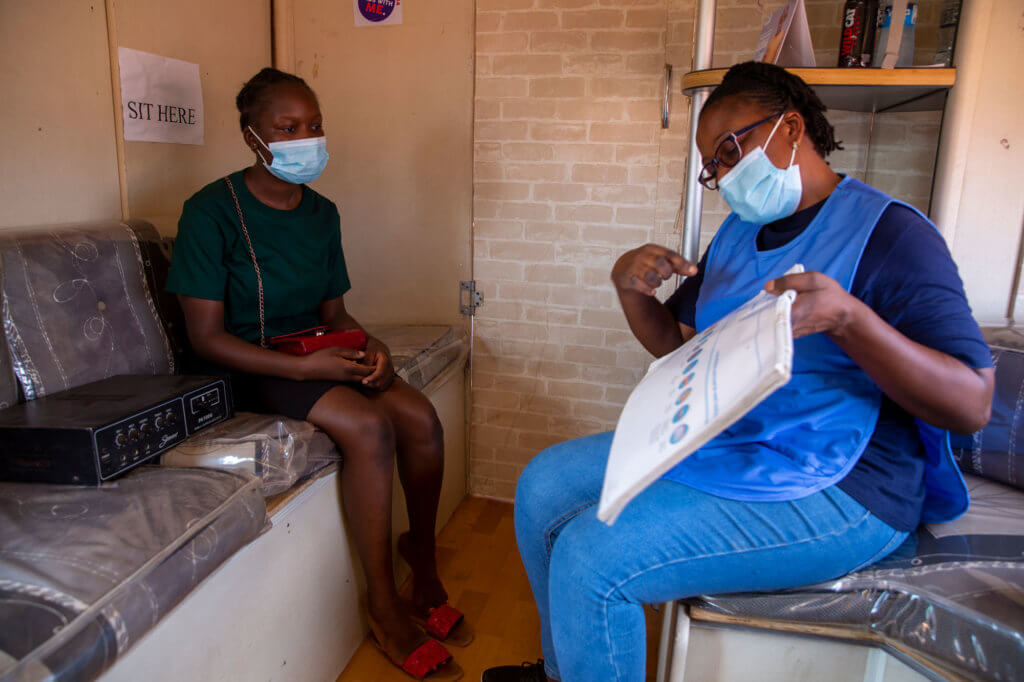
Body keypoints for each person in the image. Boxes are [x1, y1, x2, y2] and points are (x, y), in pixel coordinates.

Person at [483, 61, 994, 682]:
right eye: (713, 167)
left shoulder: (892, 235)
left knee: (593, 562)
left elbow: (972, 404)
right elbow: (680, 349)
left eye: (730, 150)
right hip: (735, 446)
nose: (724, 177)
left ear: (791, 128)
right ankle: (565, 670)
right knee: (542, 485)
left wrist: (849, 321)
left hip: (846, 487)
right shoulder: (736, 235)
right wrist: (632, 293)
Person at [166, 68, 467, 681]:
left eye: (315, 125)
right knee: (368, 428)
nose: (307, 138)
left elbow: (337, 314)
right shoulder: (210, 211)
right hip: (246, 363)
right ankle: (383, 607)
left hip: (315, 350)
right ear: (253, 136)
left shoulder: (322, 212)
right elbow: (206, 338)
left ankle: (424, 563)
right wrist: (307, 365)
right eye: (288, 127)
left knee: (417, 416)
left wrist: (371, 347)